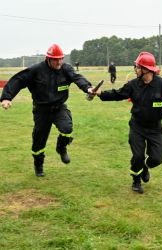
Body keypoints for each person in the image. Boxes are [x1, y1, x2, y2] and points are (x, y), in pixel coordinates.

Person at [95, 52, 162, 194]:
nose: (135, 69)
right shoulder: (133, 85)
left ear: (146, 69)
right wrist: (101, 93)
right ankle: (136, 180)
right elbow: (118, 94)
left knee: (156, 159)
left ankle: (145, 167)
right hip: (137, 127)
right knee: (138, 156)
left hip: (155, 129)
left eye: (137, 67)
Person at [0, 44, 95, 177]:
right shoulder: (36, 70)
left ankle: (61, 148)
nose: (59, 62)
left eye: (61, 58)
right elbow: (19, 79)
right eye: (56, 59)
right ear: (48, 59)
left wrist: (88, 88)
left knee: (67, 128)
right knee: (39, 141)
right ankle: (38, 165)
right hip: (41, 110)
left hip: (59, 108)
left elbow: (77, 78)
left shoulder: (66, 69)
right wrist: (6, 97)